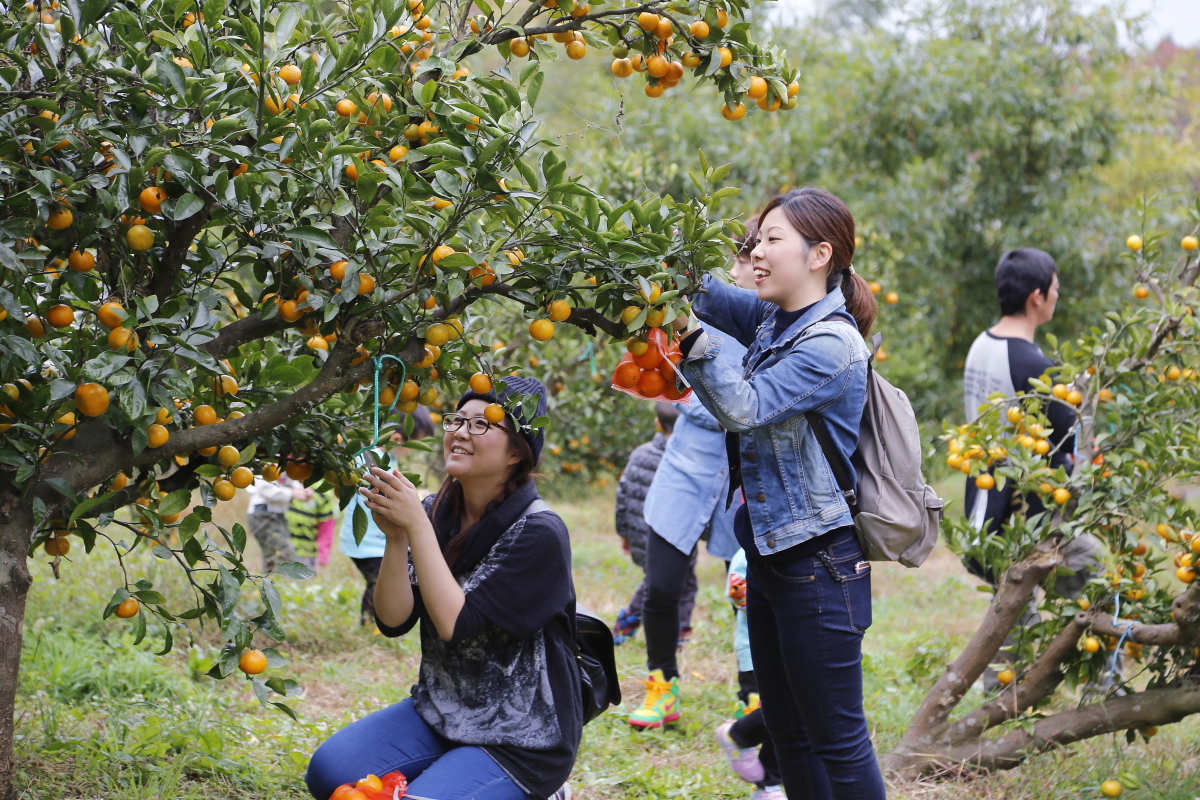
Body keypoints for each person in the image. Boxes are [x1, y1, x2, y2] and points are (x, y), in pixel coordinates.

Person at [676, 187, 885, 797]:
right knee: (789, 737)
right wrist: (647, 265)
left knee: (839, 743)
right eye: (756, 240)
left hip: (819, 567)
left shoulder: (831, 344)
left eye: (772, 240)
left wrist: (692, 345)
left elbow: (744, 407)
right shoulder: (774, 317)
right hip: (772, 560)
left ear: (820, 254)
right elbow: (710, 294)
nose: (757, 253)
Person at [306, 378, 580, 800]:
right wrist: (397, 539)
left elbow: (458, 623)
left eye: (482, 424)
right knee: (329, 773)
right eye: (457, 419)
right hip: (442, 711)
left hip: (520, 738)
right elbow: (394, 620)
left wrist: (416, 525)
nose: (461, 432)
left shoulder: (539, 533)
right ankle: (451, 772)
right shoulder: (436, 511)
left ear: (515, 453)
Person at [626, 228, 754, 729]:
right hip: (687, 464)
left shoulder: (774, 321)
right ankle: (662, 688)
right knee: (661, 586)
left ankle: (753, 696)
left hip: (744, 477)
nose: (748, 269)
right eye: (743, 259)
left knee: (746, 594)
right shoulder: (698, 310)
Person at [962, 248, 1103, 687]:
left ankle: (1005, 703)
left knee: (1009, 620)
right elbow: (1071, 448)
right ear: (1037, 297)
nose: (1057, 296)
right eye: (1056, 288)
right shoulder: (1034, 366)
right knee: (1093, 576)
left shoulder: (980, 345)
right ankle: (1102, 682)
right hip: (1025, 515)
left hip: (984, 509)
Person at [611, 401, 702, 647]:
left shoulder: (640, 453)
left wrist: (624, 533)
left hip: (641, 534)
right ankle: (676, 633)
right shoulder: (690, 457)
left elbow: (624, 495)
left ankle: (628, 623)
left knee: (657, 579)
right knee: (680, 583)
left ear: (657, 422)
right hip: (677, 536)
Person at [338, 407, 436, 625]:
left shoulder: (384, 459)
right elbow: (388, 495)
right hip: (367, 542)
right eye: (411, 446)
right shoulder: (375, 461)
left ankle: (370, 623)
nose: (410, 452)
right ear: (397, 438)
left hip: (374, 541)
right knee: (378, 582)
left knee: (377, 581)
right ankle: (371, 623)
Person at [715, 547, 784, 800]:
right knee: (775, 713)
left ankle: (768, 785)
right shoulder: (746, 554)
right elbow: (738, 595)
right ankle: (739, 735)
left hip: (792, 650)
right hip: (756, 652)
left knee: (787, 723)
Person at [246, 473, 303, 572]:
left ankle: (269, 582)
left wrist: (301, 490)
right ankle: (297, 581)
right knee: (285, 552)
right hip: (263, 513)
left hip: (278, 514)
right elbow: (266, 489)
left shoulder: (287, 464)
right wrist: (292, 493)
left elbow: (291, 481)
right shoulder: (266, 461)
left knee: (270, 556)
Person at [287, 484, 335, 569]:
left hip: (307, 552)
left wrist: (323, 555)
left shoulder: (323, 490)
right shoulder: (287, 481)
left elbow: (326, 527)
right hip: (284, 548)